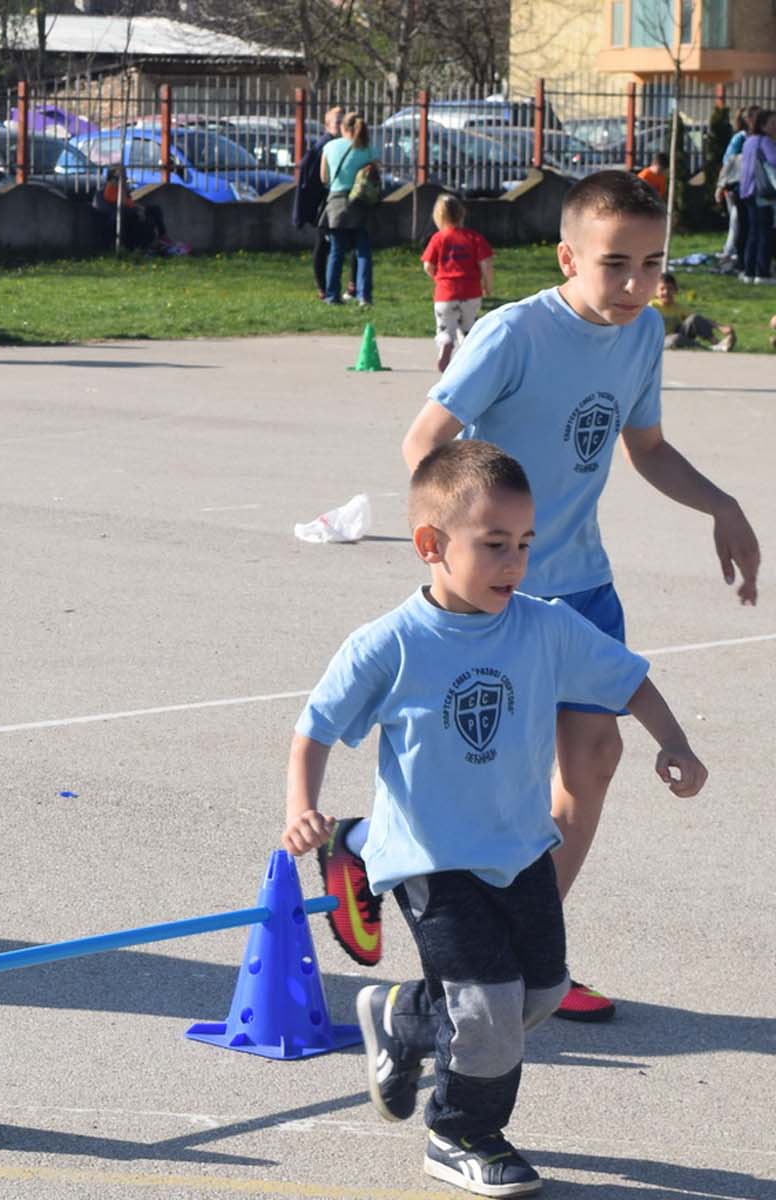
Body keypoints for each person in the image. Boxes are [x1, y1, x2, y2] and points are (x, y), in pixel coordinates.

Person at [316, 172, 760, 1026]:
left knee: (593, 762)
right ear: (568, 257)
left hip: (582, 585)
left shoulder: (644, 332)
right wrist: (459, 557)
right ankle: (363, 849)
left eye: (652, 264)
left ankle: (525, 957)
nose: (636, 283)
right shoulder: (513, 333)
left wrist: (723, 505)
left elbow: (646, 448)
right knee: (479, 782)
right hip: (497, 594)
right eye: (615, 263)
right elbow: (425, 442)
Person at [285, 439, 704, 1197]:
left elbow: (627, 678)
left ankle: (410, 1017)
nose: (514, 563)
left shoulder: (544, 625)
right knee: (485, 1008)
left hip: (520, 848)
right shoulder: (389, 645)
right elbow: (314, 728)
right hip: (433, 858)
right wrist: (301, 808)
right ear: (430, 545)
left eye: (524, 544)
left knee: (540, 992)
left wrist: (673, 741)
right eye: (494, 544)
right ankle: (461, 1134)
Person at [420, 194, 495, 373]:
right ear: (462, 214)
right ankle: (467, 359)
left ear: (438, 217)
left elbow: (428, 265)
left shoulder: (438, 238)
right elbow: (486, 265)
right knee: (469, 329)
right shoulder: (474, 238)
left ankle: (446, 342)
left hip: (445, 293)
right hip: (471, 292)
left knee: (445, 327)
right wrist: (487, 285)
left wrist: (437, 277)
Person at [321, 112, 378, 308]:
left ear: (343, 128)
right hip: (360, 203)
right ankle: (364, 296)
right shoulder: (367, 150)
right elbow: (375, 176)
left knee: (336, 251)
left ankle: (332, 296)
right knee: (363, 251)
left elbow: (324, 178)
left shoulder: (329, 147)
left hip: (336, 202)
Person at [294, 106, 345, 299]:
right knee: (323, 245)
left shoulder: (339, 144)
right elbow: (315, 177)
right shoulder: (324, 146)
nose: (341, 126)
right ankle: (324, 287)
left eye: (343, 122)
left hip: (334, 202)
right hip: (325, 203)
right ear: (327, 125)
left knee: (335, 245)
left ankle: (336, 287)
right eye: (337, 122)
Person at [736, 107, 776, 284]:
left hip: (747, 191)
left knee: (753, 233)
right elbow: (774, 161)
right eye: (773, 123)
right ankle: (762, 272)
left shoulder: (749, 141)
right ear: (763, 125)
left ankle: (749, 272)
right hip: (762, 192)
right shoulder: (766, 141)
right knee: (764, 233)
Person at [651, 271, 735, 352]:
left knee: (694, 318)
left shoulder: (679, 307)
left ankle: (716, 343)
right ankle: (709, 349)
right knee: (675, 339)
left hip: (678, 335)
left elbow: (700, 319)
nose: (666, 292)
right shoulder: (652, 306)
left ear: (675, 290)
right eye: (662, 289)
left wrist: (720, 327)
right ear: (655, 292)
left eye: (670, 288)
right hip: (660, 341)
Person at [93, 166, 167, 254]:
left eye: (124, 178)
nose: (122, 181)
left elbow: (129, 202)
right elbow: (122, 202)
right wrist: (138, 210)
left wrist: (140, 208)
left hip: (128, 211)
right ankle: (140, 247)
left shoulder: (121, 189)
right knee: (137, 217)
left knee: (154, 210)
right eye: (118, 178)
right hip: (116, 216)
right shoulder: (109, 189)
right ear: (111, 179)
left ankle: (162, 236)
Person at [716, 107, 751, 270]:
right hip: (734, 185)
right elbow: (728, 161)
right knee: (736, 219)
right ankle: (729, 250)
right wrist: (721, 184)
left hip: (747, 185)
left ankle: (736, 250)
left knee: (741, 220)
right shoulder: (740, 138)